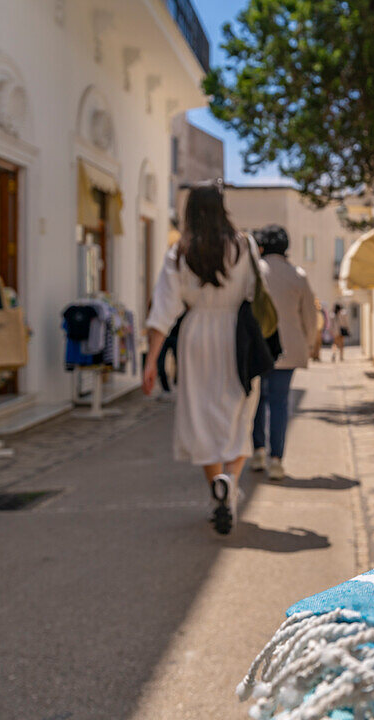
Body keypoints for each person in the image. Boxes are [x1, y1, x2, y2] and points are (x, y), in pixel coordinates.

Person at [142, 184, 259, 535]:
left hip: (195, 336)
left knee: (200, 416)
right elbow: (257, 291)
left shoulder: (179, 251)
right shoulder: (244, 245)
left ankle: (216, 488)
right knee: (239, 414)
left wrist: (151, 362)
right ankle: (231, 484)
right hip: (237, 336)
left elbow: (163, 309)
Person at [251, 225, 317, 480]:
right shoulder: (297, 274)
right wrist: (309, 342)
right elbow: (309, 315)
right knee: (279, 402)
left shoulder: (256, 270)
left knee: (257, 400)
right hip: (288, 349)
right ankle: (276, 459)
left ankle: (257, 450)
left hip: (258, 348)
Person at [311, 297, 325, 362]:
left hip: (319, 329)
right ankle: (314, 356)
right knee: (315, 344)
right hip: (315, 329)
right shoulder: (313, 312)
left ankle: (317, 356)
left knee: (318, 344)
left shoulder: (319, 311)